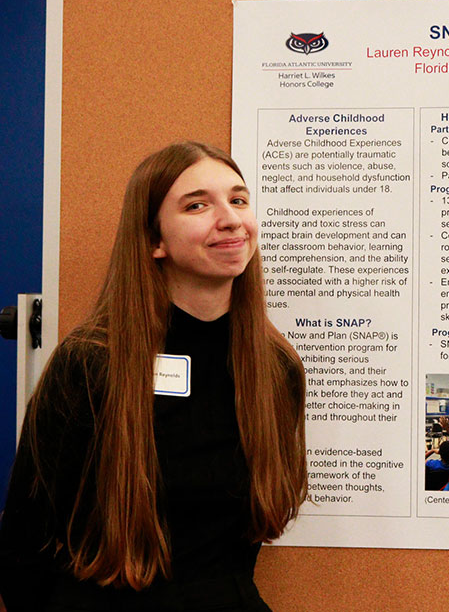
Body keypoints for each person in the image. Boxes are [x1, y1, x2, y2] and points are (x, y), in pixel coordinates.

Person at [0, 141, 306, 612]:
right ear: (153, 240)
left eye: (238, 200)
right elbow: (25, 546)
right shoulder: (89, 364)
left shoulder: (275, 368)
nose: (229, 219)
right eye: (198, 205)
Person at [424, 417, 449, 491]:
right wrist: (448, 429)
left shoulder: (432, 464)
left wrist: (432, 450)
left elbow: (420, 461)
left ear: (440, 453)